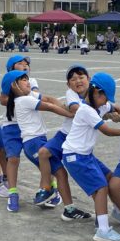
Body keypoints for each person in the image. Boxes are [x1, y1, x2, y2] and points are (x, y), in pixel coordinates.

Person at [61, 73, 120, 241]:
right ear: (96, 92)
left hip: (85, 155)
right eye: (105, 98)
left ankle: (116, 213)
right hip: (75, 156)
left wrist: (119, 113)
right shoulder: (86, 110)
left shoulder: (99, 105)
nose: (106, 103)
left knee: (109, 178)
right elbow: (108, 131)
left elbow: (114, 107)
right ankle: (103, 230)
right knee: (101, 187)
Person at [3, 70, 87, 215]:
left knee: (58, 172)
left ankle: (59, 201)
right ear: (14, 86)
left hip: (36, 142)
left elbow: (50, 100)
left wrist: (66, 107)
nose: (28, 82)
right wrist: (71, 114)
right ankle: (46, 192)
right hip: (34, 143)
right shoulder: (23, 100)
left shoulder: (25, 97)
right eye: (23, 80)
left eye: (27, 79)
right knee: (60, 172)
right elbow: (49, 107)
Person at [36, 65, 94, 220]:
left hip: (80, 142)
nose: (78, 81)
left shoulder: (96, 95)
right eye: (73, 79)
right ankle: (46, 187)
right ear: (68, 85)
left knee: (87, 177)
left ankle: (70, 209)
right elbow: (75, 109)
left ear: (89, 79)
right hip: (64, 135)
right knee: (43, 153)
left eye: (81, 77)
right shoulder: (71, 94)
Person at [0, 56, 42, 205]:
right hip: (11, 126)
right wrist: (17, 94)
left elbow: (36, 97)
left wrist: (23, 93)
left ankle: (49, 187)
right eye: (20, 64)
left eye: (26, 64)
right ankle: (12, 192)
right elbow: (3, 100)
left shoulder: (31, 81)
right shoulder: (8, 81)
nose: (25, 66)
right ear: (11, 68)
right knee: (13, 158)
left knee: (40, 158)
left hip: (29, 127)